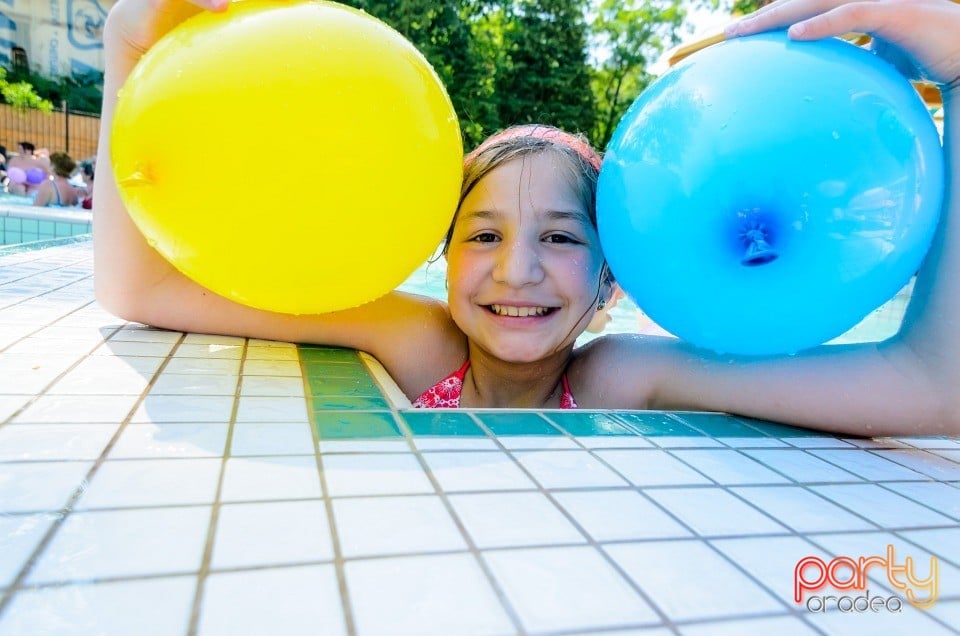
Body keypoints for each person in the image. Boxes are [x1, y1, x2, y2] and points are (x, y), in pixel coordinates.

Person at [95, 0, 960, 436]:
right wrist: (132, 53)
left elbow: (930, 387)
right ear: (439, 256)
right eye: (482, 236)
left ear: (612, 276)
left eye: (559, 236)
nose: (516, 272)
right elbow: (145, 284)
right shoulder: (419, 344)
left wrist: (957, 76)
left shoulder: (615, 378)